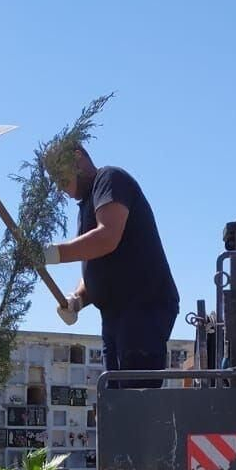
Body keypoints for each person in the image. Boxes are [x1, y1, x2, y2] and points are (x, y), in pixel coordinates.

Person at [40, 142, 179, 391]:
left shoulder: (111, 179)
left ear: (77, 157)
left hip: (142, 308)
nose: (62, 188)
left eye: (61, 178)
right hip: (116, 314)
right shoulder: (86, 205)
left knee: (134, 399)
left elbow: (107, 238)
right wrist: (77, 300)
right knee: (115, 398)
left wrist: (54, 253)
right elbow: (96, 265)